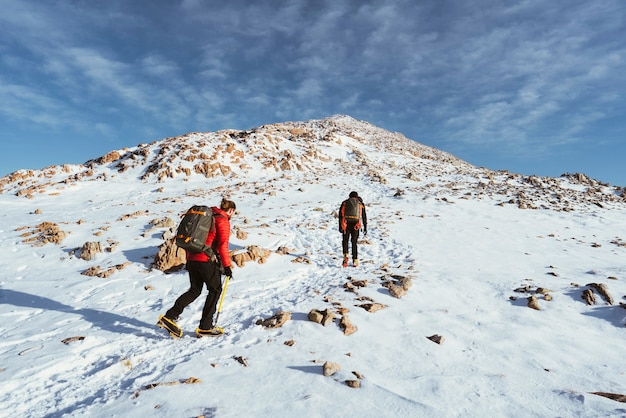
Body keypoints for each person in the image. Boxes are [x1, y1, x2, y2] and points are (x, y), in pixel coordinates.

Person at [159, 198, 236, 337]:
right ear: (231, 211)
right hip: (205, 260)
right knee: (215, 290)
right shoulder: (222, 221)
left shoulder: (207, 215)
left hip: (192, 258)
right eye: (233, 213)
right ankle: (205, 326)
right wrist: (227, 266)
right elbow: (223, 245)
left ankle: (169, 317)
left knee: (195, 290)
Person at [338, 191, 367, 267]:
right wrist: (365, 226)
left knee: (345, 240)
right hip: (356, 225)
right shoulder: (360, 204)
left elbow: (340, 215)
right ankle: (355, 259)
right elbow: (364, 216)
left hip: (346, 224)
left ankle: (345, 256)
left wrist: (340, 226)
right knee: (354, 242)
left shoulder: (345, 203)